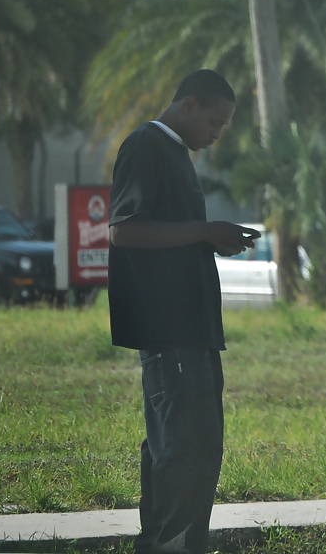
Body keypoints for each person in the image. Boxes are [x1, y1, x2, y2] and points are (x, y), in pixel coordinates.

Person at [108, 69, 259, 554]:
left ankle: (178, 544)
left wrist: (213, 238)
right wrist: (203, 231)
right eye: (215, 122)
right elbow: (124, 230)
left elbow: (174, 232)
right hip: (169, 331)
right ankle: (165, 546)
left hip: (192, 332)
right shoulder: (146, 145)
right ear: (188, 105)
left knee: (196, 446)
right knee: (183, 448)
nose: (217, 134)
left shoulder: (175, 152)